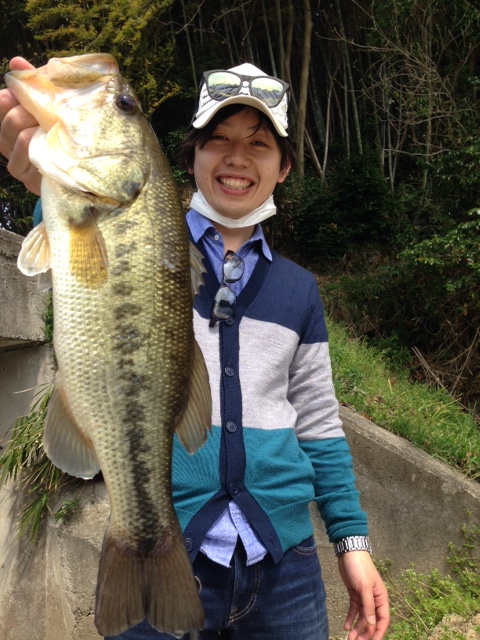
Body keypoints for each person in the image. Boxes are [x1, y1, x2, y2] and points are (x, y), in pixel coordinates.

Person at [0, 58, 389, 640]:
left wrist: (352, 543)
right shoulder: (145, 234)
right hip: (170, 535)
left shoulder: (299, 290)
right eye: (218, 141)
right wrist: (45, 190)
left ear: (283, 167)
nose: (237, 157)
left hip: (287, 563)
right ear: (190, 159)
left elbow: (318, 424)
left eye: (259, 144)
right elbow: (84, 250)